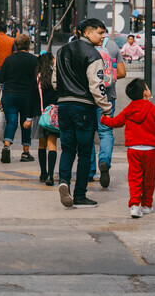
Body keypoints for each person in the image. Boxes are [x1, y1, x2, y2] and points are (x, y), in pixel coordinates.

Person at [55, 18, 112, 209]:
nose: (103, 36)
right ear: (87, 33)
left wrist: (64, 93)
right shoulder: (93, 54)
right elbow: (97, 86)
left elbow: (55, 80)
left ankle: (64, 182)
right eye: (100, 32)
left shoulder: (62, 51)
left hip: (64, 106)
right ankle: (80, 194)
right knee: (85, 152)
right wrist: (106, 108)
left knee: (68, 148)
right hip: (84, 108)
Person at [101, 79, 155, 218]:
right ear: (145, 92)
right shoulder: (153, 109)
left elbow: (116, 122)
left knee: (135, 178)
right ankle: (147, 205)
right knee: (149, 179)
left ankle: (134, 205)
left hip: (133, 150)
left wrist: (104, 119)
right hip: (150, 150)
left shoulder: (129, 109)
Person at [89, 35, 125, 189]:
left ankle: (90, 171)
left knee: (88, 133)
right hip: (108, 96)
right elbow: (122, 72)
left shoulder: (83, 46)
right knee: (105, 131)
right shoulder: (112, 46)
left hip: (88, 98)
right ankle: (104, 161)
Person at [0, 34, 37, 164]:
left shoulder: (9, 59)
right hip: (28, 96)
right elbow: (38, 80)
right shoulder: (34, 60)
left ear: (16, 45)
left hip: (9, 95)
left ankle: (6, 146)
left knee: (11, 122)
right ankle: (25, 152)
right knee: (26, 123)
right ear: (28, 46)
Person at [33, 53, 59, 186]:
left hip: (40, 114)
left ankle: (43, 173)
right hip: (53, 115)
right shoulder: (56, 77)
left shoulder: (37, 78)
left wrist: (28, 117)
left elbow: (33, 98)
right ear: (50, 61)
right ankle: (51, 175)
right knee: (52, 145)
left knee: (41, 145)